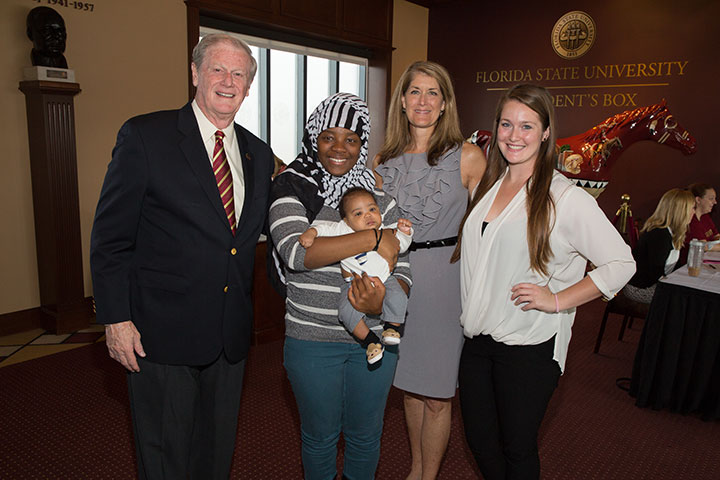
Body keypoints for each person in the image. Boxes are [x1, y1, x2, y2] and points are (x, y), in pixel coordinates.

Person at [90, 34, 274, 479]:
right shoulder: (146, 136)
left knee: (215, 455)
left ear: (249, 86)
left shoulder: (259, 154)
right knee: (166, 458)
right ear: (195, 73)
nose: (228, 82)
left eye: (239, 74)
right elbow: (111, 238)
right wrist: (116, 319)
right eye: (218, 69)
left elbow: (254, 236)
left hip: (229, 339)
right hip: (160, 335)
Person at [452, 84, 635, 480]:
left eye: (527, 126)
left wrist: (557, 300)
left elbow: (621, 263)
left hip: (528, 347)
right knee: (481, 443)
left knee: (517, 450)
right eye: (506, 124)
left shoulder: (565, 197)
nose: (514, 136)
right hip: (477, 342)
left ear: (546, 132)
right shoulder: (489, 185)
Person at [269, 92, 411, 479]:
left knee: (366, 436)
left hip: (378, 337)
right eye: (329, 136)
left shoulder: (380, 197)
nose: (339, 148)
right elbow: (297, 255)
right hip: (312, 339)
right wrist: (374, 238)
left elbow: (405, 268)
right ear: (314, 137)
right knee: (319, 437)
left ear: (362, 144)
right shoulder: (291, 186)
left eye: (351, 139)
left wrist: (382, 297)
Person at [373, 61, 486, 480]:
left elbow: (490, 226)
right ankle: (415, 472)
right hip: (396, 276)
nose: (423, 100)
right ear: (402, 102)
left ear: (444, 105)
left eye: (433, 92)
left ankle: (428, 476)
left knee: (438, 393)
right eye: (415, 92)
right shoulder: (382, 160)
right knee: (408, 386)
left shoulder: (470, 156)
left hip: (444, 279)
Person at [299, 186, 414, 363]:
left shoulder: (386, 230)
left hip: (384, 279)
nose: (368, 215)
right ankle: (371, 342)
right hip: (353, 282)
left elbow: (402, 246)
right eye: (358, 214)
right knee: (345, 312)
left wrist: (405, 233)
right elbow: (323, 228)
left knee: (399, 297)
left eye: (372, 209)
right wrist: (311, 233)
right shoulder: (341, 229)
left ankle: (392, 327)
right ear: (346, 221)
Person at [623, 188, 695, 303]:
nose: (693, 212)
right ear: (681, 211)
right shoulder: (659, 234)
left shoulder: (670, 232)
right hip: (640, 288)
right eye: (692, 208)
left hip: (654, 283)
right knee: (687, 299)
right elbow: (654, 272)